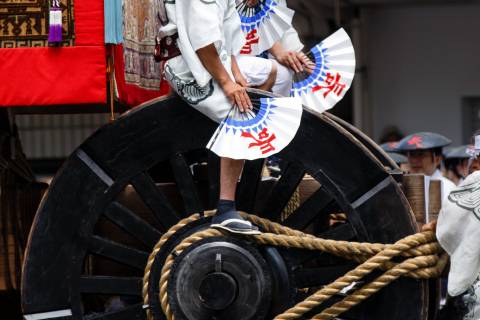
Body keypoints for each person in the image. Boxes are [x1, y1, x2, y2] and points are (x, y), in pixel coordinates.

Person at [158, 0, 268, 234]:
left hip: (206, 62)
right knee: (240, 112)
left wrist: (236, 77)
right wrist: (228, 83)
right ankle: (225, 209)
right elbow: (203, 41)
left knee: (252, 98)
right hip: (188, 66)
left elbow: (226, 42)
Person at [234, 0, 314, 97]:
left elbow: (279, 22)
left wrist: (298, 56)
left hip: (261, 54)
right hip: (230, 56)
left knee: (284, 74)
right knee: (273, 70)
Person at [395, 132, 456, 204]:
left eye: (421, 155)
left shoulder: (448, 188)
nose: (415, 160)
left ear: (437, 159)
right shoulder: (403, 186)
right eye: (412, 155)